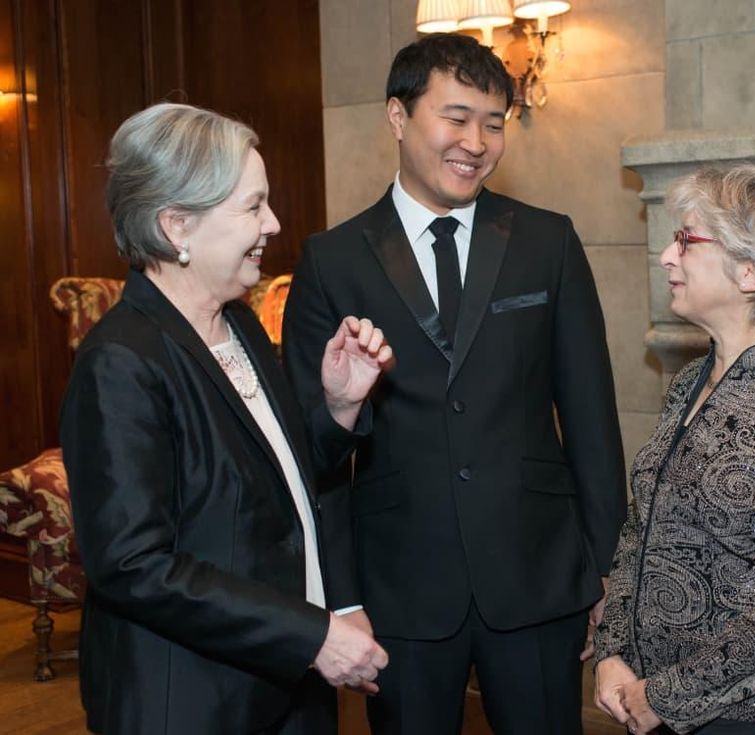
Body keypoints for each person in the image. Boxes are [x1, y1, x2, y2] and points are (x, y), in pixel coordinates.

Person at [283, 33, 626, 735]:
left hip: (538, 575)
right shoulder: (331, 259)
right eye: (457, 116)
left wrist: (608, 570)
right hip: (398, 590)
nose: (477, 141)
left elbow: (590, 416)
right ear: (399, 117)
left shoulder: (547, 241)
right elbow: (315, 453)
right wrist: (340, 596)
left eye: (495, 122)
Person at [60, 103, 390, 735]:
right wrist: (313, 633)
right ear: (176, 226)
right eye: (251, 206)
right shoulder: (121, 361)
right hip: (192, 699)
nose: (273, 222)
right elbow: (133, 566)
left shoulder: (236, 323)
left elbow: (275, 484)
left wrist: (341, 408)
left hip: (283, 685)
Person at [593, 163, 755, 735]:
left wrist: (665, 697)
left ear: (752, 271)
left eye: (685, 240)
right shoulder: (691, 380)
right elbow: (641, 528)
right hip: (653, 697)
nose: (667, 255)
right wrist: (612, 649)